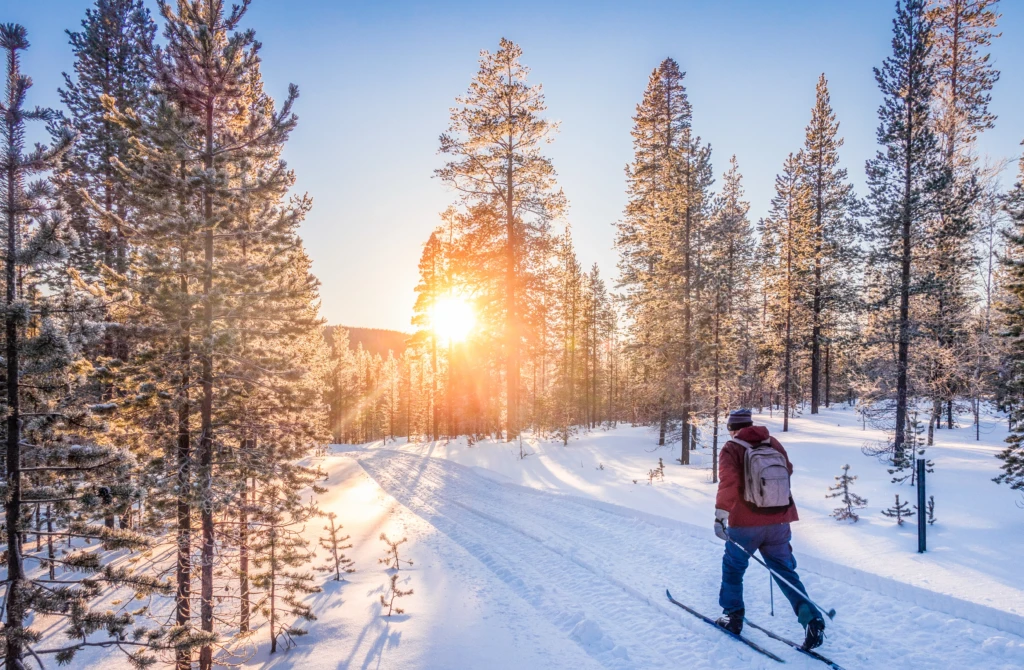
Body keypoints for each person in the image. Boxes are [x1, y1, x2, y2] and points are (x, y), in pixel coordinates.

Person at [713, 408, 826, 650]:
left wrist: (721, 514)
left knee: (733, 569)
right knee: (785, 572)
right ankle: (811, 618)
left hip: (744, 524)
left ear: (732, 428)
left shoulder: (732, 447)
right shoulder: (772, 442)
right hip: (779, 521)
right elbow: (788, 470)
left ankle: (733, 618)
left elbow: (729, 482)